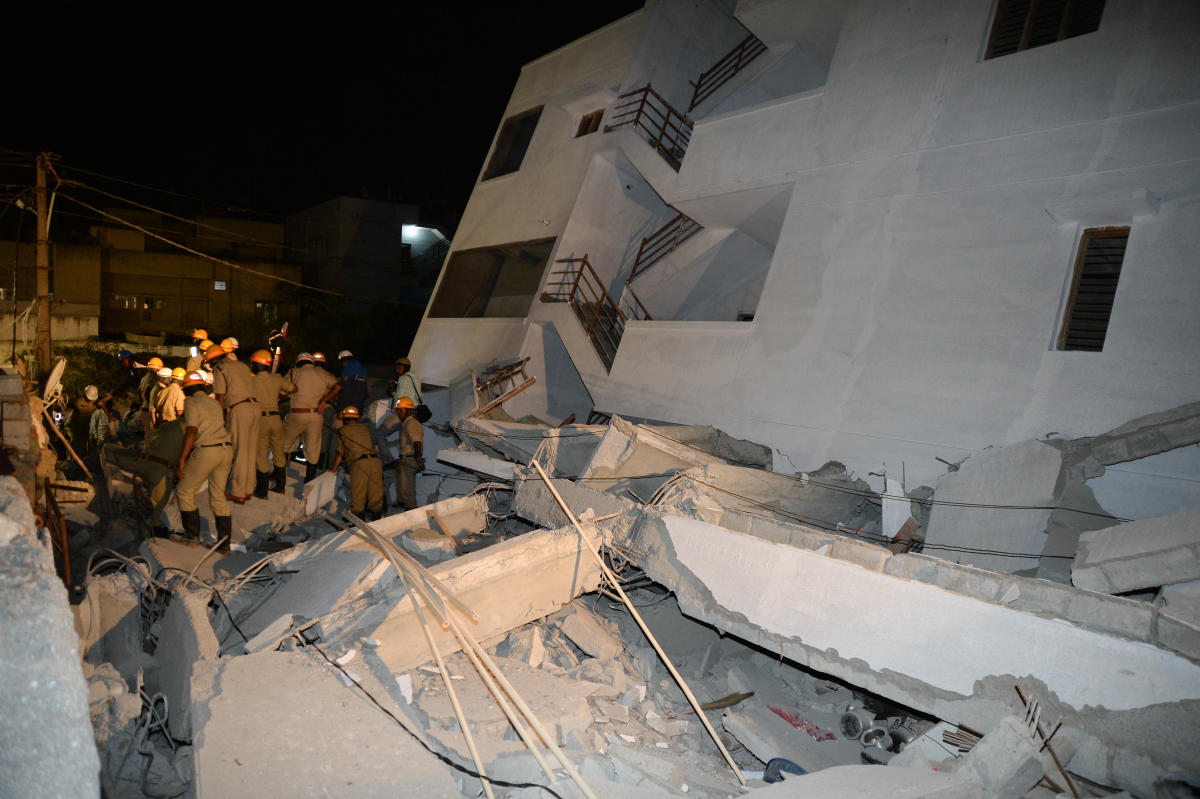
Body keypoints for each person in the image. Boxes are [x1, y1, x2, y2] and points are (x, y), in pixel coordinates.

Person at [175, 372, 233, 546]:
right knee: (218, 497)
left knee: (184, 492)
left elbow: (191, 431)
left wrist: (182, 458)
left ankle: (192, 537)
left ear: (186, 389)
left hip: (207, 451)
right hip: (226, 450)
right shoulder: (213, 401)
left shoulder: (191, 402)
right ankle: (224, 545)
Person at [100, 418, 185, 530]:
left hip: (144, 464)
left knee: (151, 496)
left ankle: (149, 519)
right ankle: (157, 534)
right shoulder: (187, 429)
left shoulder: (168, 425)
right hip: (159, 468)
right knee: (160, 506)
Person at [206, 343, 259, 502]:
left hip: (239, 409)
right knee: (250, 451)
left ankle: (238, 492)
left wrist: (217, 416)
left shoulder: (219, 369)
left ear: (213, 361)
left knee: (240, 452)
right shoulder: (241, 365)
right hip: (255, 408)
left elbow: (220, 395)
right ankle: (248, 489)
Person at [282, 353, 336, 483]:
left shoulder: (293, 372)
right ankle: (309, 479)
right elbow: (337, 387)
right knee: (313, 449)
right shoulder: (322, 373)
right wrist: (323, 401)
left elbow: (282, 391)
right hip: (316, 416)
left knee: (282, 444)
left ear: (298, 362)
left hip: (297, 414)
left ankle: (279, 478)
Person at [250, 348, 296, 497]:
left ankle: (262, 490)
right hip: (276, 419)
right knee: (278, 452)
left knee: (260, 454)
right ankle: (280, 486)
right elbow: (294, 388)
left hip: (261, 420)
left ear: (257, 365)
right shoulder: (276, 379)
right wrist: (280, 395)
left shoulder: (250, 381)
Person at [328, 406, 383, 520]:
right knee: (375, 494)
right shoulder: (364, 428)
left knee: (358, 495)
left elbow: (340, 453)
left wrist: (333, 469)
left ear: (345, 418)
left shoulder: (343, 430)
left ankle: (358, 521)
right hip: (375, 462)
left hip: (360, 464)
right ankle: (377, 519)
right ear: (357, 418)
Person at [376, 396, 424, 511]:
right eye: (397, 410)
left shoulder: (411, 423)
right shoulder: (406, 423)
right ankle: (402, 502)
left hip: (410, 458)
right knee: (402, 483)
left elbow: (417, 442)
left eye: (400, 410)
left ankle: (411, 509)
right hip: (406, 457)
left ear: (409, 410)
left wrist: (417, 458)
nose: (398, 413)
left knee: (408, 487)